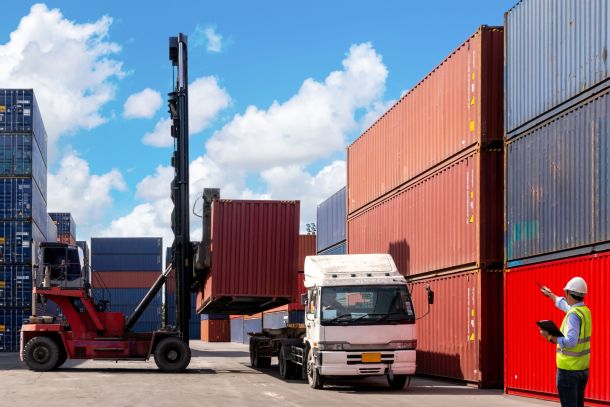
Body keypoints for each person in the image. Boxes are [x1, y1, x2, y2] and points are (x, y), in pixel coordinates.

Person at [540, 277, 591, 407]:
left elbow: (571, 342)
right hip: (581, 369)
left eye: (565, 293)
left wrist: (550, 337)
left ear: (568, 293)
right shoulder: (584, 311)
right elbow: (564, 304)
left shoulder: (573, 315)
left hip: (569, 371)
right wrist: (550, 294)